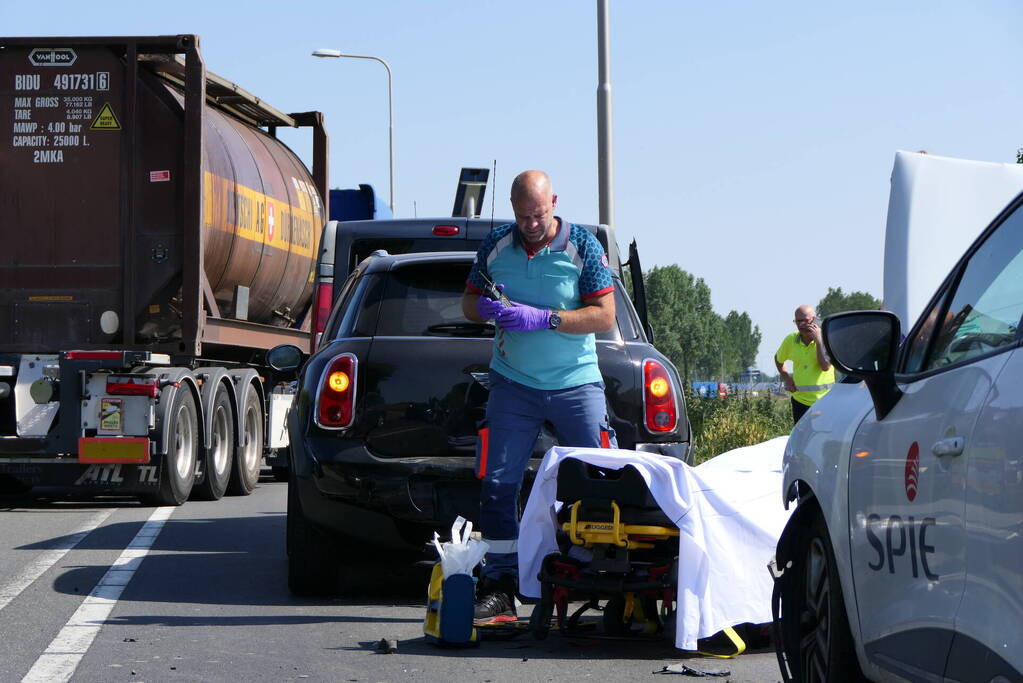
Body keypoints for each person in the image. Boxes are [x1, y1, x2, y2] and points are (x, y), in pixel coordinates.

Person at [461, 170, 616, 622]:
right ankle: (501, 585)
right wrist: (485, 310)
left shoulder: (582, 245)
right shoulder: (495, 245)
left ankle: (598, 576)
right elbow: (468, 303)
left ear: (554, 203)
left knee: (599, 480)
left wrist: (544, 319)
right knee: (497, 485)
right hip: (513, 383)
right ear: (512, 209)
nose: (530, 222)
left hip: (575, 383)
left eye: (539, 213)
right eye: (522, 214)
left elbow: (604, 316)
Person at [775, 305, 835, 424]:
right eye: (798, 321)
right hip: (800, 402)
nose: (801, 324)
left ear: (814, 319)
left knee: (823, 438)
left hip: (825, 401)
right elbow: (778, 359)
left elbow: (825, 366)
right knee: (802, 439)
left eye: (805, 320)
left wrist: (818, 341)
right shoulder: (791, 340)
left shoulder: (827, 338)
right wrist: (786, 377)